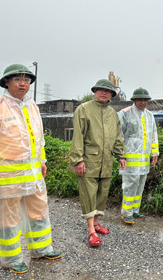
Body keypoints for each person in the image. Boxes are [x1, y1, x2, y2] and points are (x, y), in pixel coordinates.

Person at [0, 64, 61, 274]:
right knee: (9, 219)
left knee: (39, 212)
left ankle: (41, 249)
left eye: (27, 80)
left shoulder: (32, 107)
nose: (23, 84)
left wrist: (42, 160)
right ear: (6, 82)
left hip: (33, 175)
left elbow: (39, 139)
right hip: (7, 176)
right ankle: (11, 259)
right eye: (17, 79)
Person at [69, 79, 126, 247]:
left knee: (102, 194)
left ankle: (95, 223)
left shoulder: (112, 114)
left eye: (107, 91)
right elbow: (78, 136)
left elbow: (117, 138)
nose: (104, 93)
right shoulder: (84, 109)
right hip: (88, 160)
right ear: (94, 91)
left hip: (106, 161)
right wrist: (77, 160)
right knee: (89, 195)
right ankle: (90, 231)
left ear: (112, 95)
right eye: (100, 90)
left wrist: (120, 155)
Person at [118, 87, 159, 224]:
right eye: (139, 100)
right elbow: (118, 135)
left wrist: (154, 152)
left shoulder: (149, 115)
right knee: (130, 185)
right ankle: (126, 213)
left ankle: (135, 210)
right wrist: (120, 154)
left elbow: (153, 135)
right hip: (129, 158)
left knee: (140, 184)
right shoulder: (125, 114)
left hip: (143, 158)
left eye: (145, 100)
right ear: (134, 100)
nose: (142, 102)